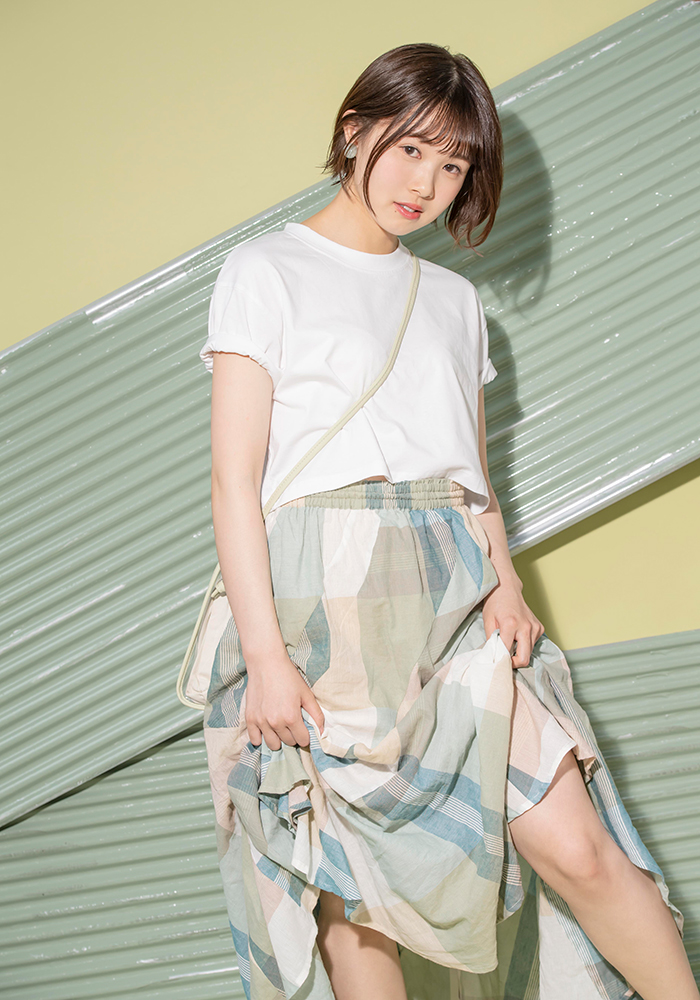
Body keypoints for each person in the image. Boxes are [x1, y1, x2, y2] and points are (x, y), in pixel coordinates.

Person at [200, 42, 697, 1000]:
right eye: (412, 150)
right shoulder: (265, 270)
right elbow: (234, 482)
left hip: (454, 587)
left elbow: (474, 478)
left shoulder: (455, 301)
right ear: (355, 132)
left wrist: (506, 586)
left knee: (579, 847)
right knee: (352, 896)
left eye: (455, 164)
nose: (427, 184)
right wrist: (264, 655)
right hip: (319, 605)